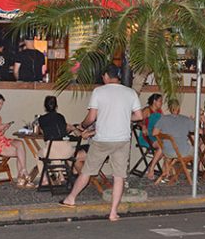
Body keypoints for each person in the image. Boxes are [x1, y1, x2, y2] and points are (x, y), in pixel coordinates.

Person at [60, 64, 143, 221]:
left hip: (102, 139)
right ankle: (113, 212)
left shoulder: (99, 91)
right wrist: (125, 118)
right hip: (122, 140)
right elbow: (139, 116)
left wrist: (82, 126)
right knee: (119, 176)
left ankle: (70, 199)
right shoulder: (130, 92)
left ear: (105, 76)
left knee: (87, 171)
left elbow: (91, 117)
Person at [0, 93, 32, 188]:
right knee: (19, 152)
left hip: (0, 140)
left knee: (19, 143)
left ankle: (23, 172)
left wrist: (4, 129)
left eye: (1, 104)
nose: (0, 107)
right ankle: (22, 177)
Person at [150, 99, 196, 180]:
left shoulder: (163, 119)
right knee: (197, 151)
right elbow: (197, 130)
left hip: (167, 151)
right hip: (182, 152)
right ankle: (195, 175)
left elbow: (154, 133)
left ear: (169, 108)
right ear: (179, 108)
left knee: (168, 152)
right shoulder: (186, 119)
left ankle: (167, 172)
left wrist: (165, 132)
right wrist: (193, 121)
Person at [140, 93, 163, 179]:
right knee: (162, 147)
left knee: (167, 146)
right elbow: (139, 120)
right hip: (147, 136)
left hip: (156, 135)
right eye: (160, 101)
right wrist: (143, 126)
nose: (161, 103)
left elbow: (164, 122)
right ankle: (151, 169)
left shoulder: (160, 112)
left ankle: (163, 169)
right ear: (154, 101)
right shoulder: (147, 110)